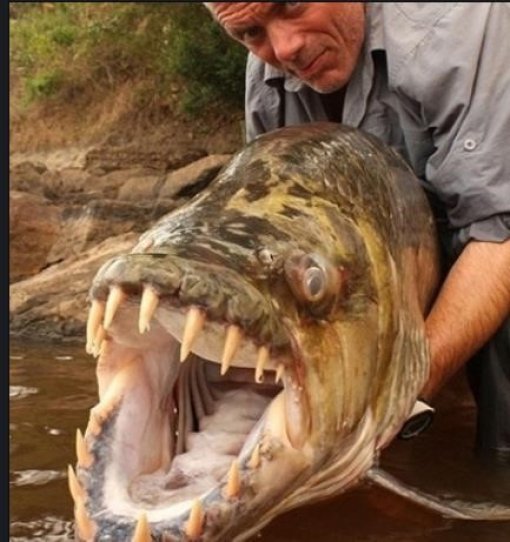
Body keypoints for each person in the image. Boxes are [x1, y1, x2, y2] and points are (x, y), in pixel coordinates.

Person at [205, 2, 510, 460]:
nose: (285, 48)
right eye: (250, 33)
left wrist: (394, 390)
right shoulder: (265, 83)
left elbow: (499, 232)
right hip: (401, 242)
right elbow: (276, 243)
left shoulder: (458, 23)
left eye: (291, 5)